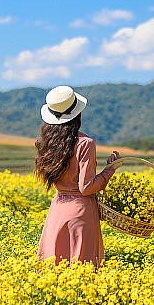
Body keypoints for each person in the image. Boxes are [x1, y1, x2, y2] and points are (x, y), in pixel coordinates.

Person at [35, 85, 120, 268]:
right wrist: (109, 170)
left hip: (57, 211)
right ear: (77, 114)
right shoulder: (85, 143)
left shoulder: (47, 143)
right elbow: (86, 187)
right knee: (83, 271)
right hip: (81, 213)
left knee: (55, 270)